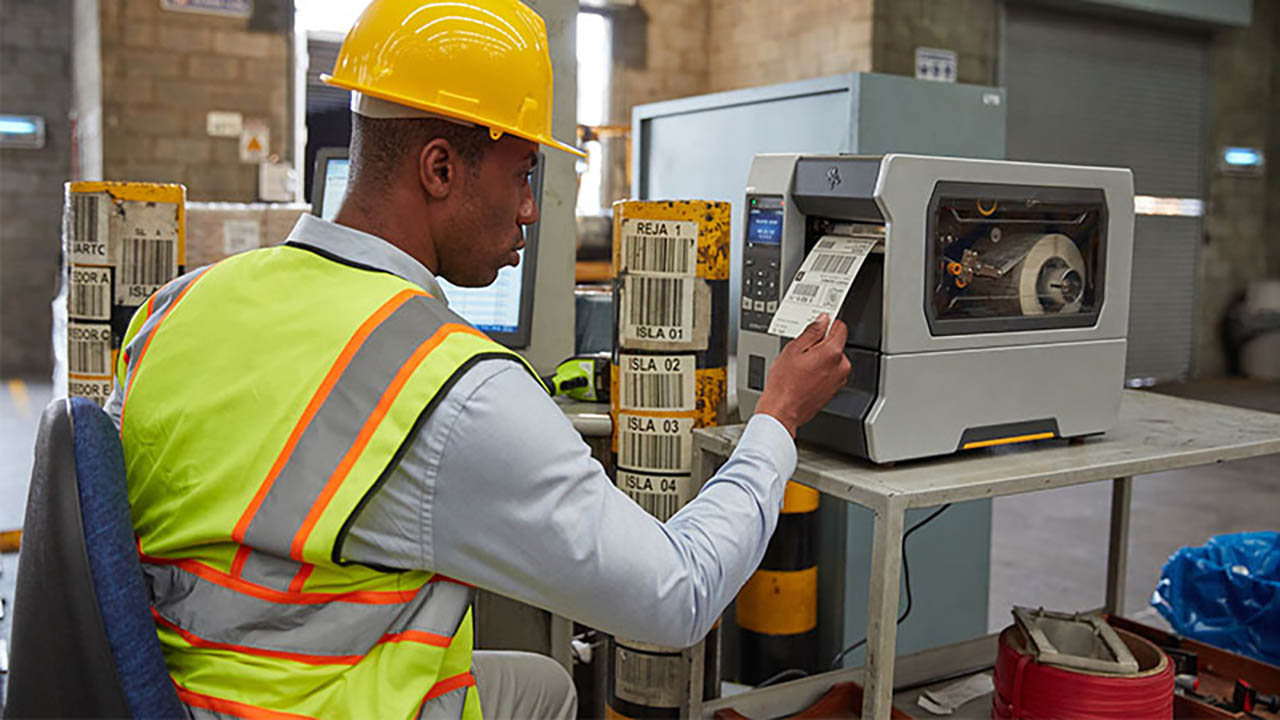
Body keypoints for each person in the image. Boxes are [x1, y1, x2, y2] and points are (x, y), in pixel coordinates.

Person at [105, 1, 851, 718]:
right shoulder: (446, 388)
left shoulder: (178, 306)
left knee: (543, 688)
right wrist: (777, 417)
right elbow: (677, 595)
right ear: (439, 169)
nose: (531, 208)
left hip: (192, 687)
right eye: (523, 172)